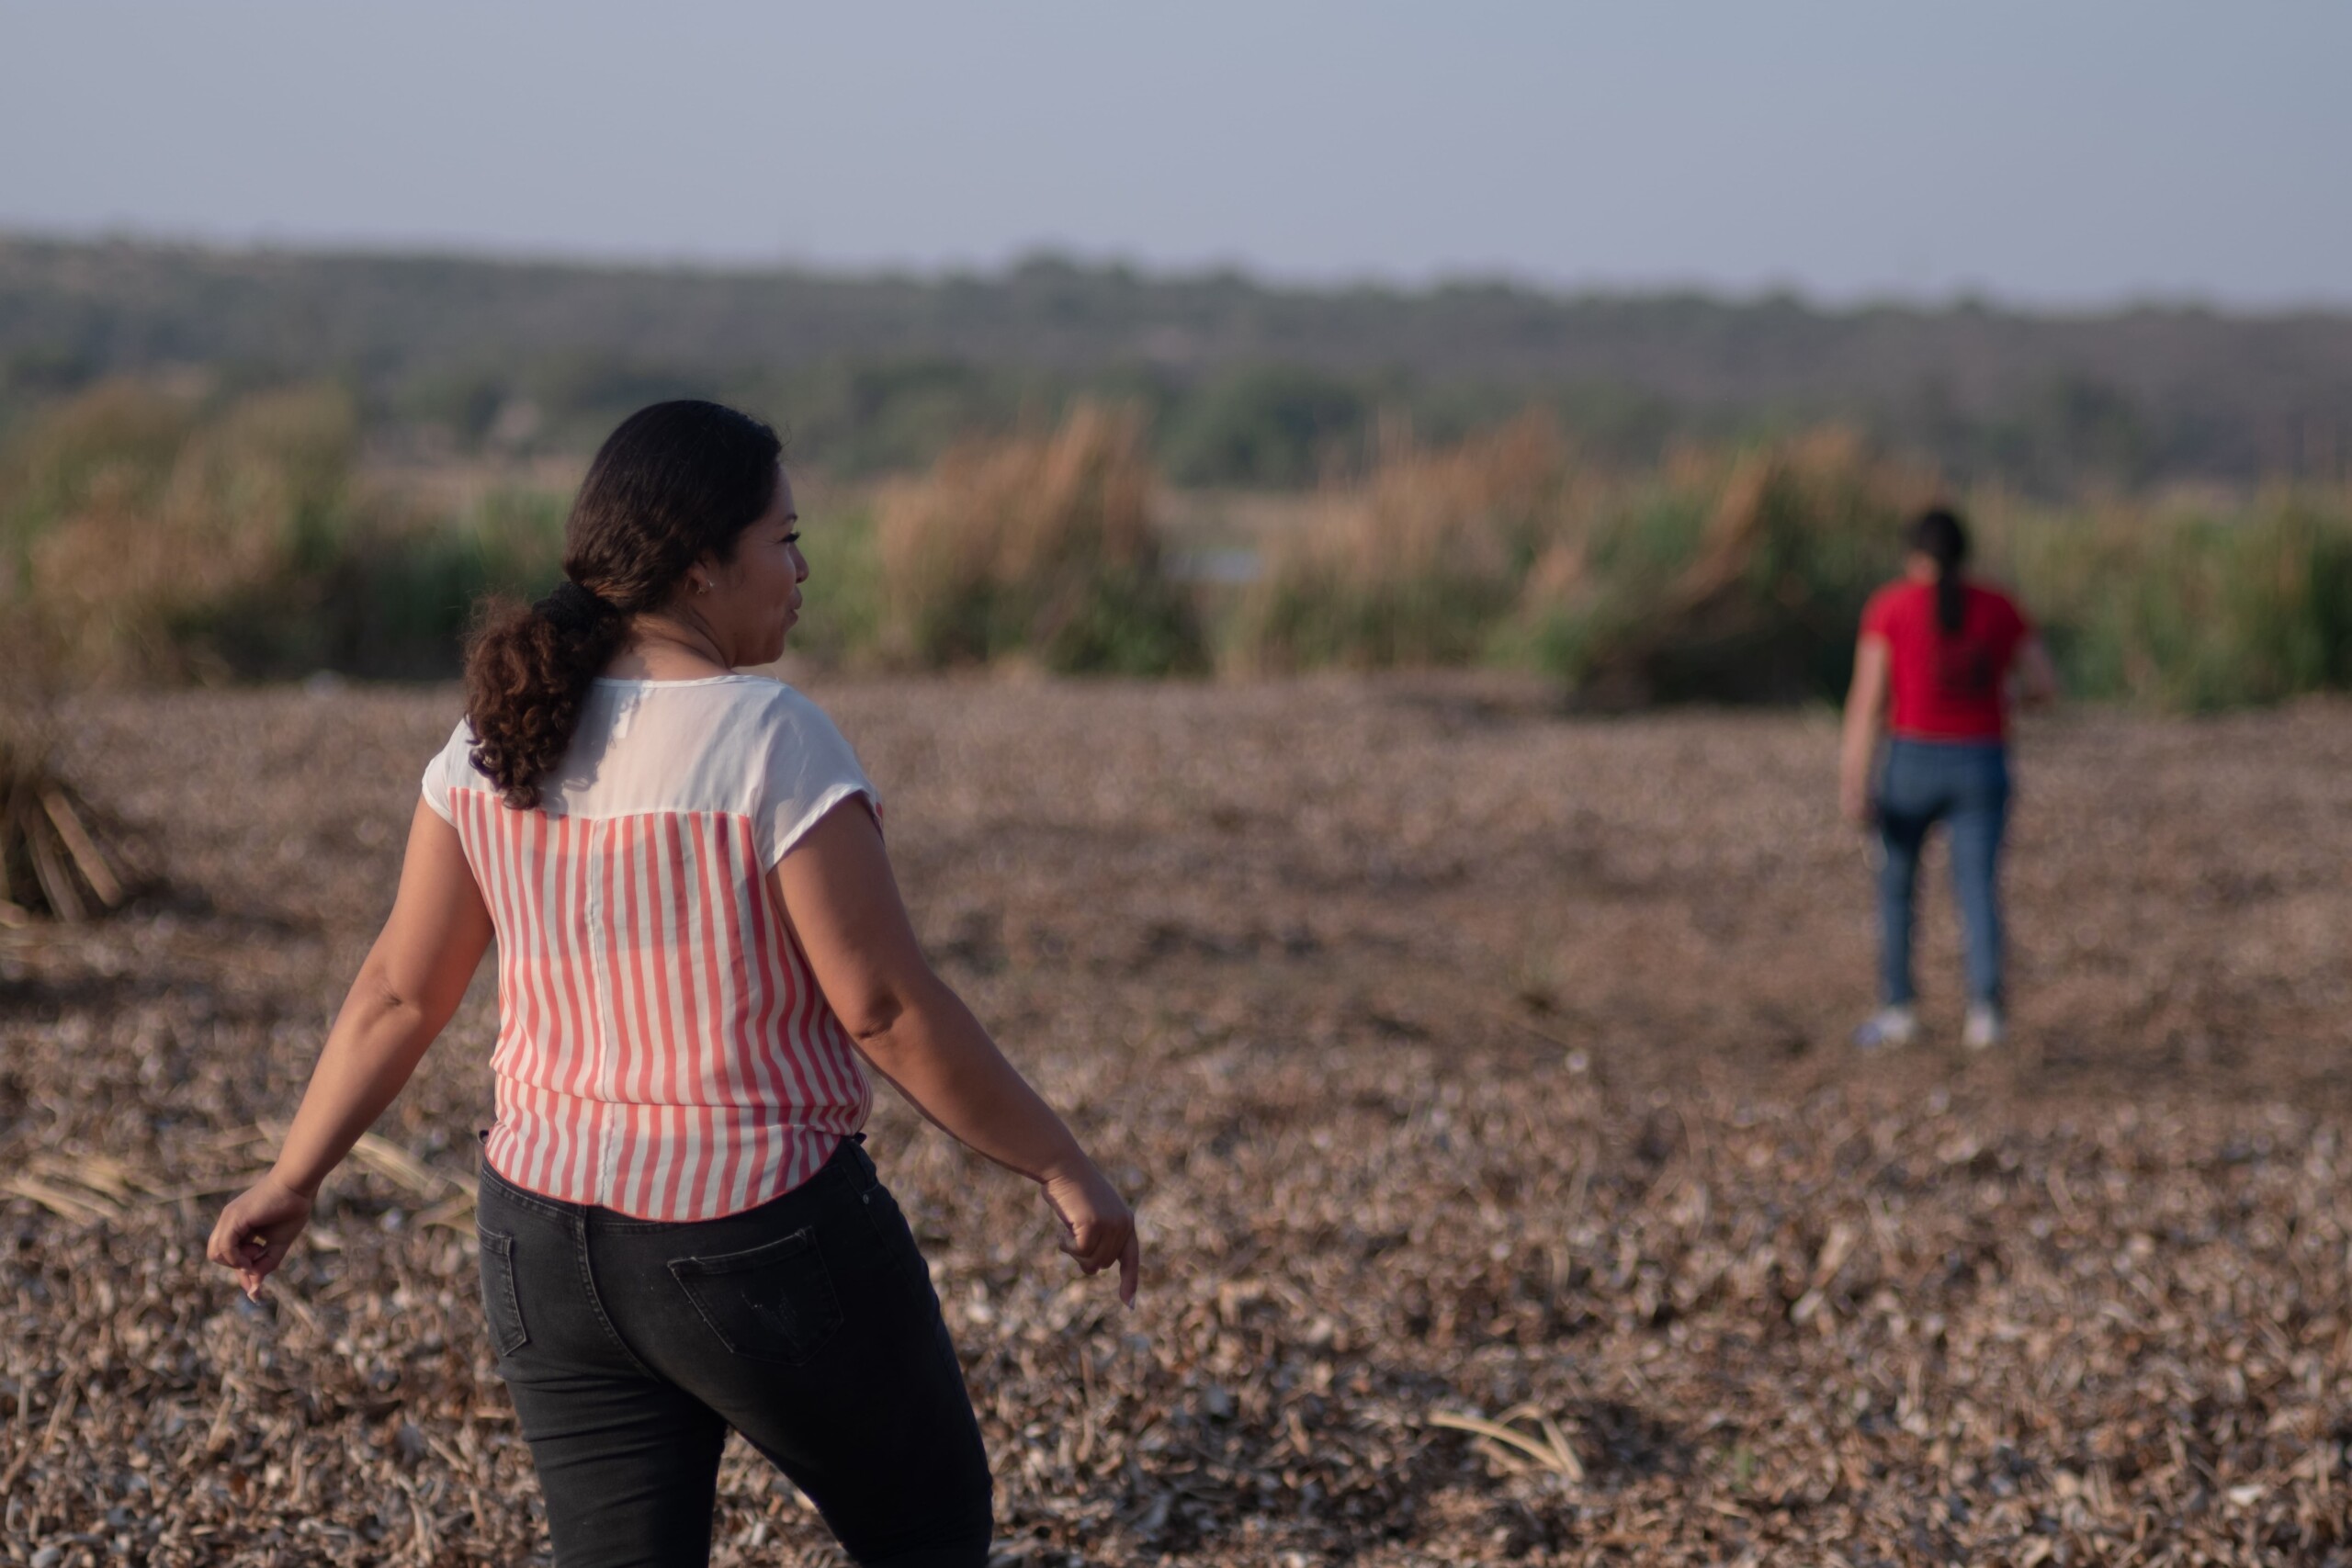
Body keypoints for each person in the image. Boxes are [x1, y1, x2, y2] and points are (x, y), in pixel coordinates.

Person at [208, 400, 1140, 1568]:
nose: (802, 570)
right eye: (783, 540)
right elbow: (884, 1009)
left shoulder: (493, 739)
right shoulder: (768, 738)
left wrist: (294, 1176)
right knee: (929, 1535)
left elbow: (402, 988)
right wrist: (1060, 1163)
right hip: (757, 1237)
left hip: (539, 1237)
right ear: (701, 565)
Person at [1838, 506, 2059, 1052]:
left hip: (1911, 761)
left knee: (1897, 888)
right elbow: (2045, 684)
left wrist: (1852, 778)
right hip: (1982, 762)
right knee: (1978, 889)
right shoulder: (1999, 607)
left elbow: (1867, 703)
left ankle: (1899, 1009)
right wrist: (2007, 695)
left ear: (1915, 555)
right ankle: (1985, 1014)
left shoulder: (1889, 608)